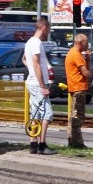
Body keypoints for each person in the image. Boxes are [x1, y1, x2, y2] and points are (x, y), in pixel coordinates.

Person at [23, 18, 56, 155]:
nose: (48, 31)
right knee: (46, 113)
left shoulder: (29, 42)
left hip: (32, 82)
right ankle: (42, 145)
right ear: (43, 27)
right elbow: (36, 64)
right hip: (37, 84)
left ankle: (33, 144)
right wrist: (43, 86)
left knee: (35, 113)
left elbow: (25, 59)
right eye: (48, 28)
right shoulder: (36, 43)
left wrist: (31, 69)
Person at [65, 33, 93, 148]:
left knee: (73, 115)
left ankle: (72, 140)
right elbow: (86, 72)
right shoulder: (76, 55)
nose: (87, 44)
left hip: (75, 87)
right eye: (86, 42)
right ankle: (77, 142)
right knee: (78, 116)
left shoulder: (72, 53)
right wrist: (89, 61)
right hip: (78, 87)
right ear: (80, 43)